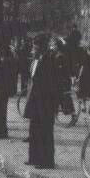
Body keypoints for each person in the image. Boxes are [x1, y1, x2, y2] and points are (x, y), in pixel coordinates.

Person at [23, 33, 59, 169]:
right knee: (34, 129)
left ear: (41, 46)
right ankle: (34, 157)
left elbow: (50, 84)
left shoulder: (49, 60)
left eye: (35, 45)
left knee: (45, 131)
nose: (33, 48)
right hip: (36, 101)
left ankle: (47, 161)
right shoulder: (37, 59)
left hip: (45, 102)